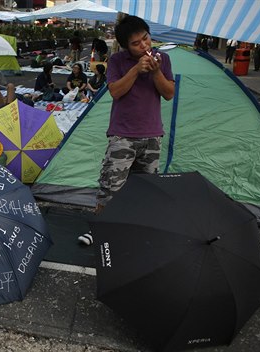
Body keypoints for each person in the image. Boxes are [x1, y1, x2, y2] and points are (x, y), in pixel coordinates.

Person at [80, 15, 174, 246]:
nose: (144, 45)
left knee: (145, 189)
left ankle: (137, 229)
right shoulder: (117, 61)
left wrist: (155, 72)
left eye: (146, 39)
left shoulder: (163, 59)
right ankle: (100, 228)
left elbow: (169, 93)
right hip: (122, 135)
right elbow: (115, 92)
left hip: (153, 135)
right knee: (111, 186)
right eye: (136, 43)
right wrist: (135, 70)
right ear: (125, 46)